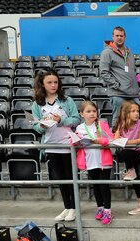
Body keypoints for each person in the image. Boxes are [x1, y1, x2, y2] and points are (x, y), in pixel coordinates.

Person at [31, 69, 81, 222]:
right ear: (43, 84)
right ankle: (67, 207)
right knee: (61, 179)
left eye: (55, 82)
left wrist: (61, 121)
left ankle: (74, 207)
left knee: (70, 177)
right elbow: (35, 126)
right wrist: (42, 126)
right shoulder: (37, 104)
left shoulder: (67, 100)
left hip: (67, 144)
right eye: (49, 82)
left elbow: (76, 119)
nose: (53, 85)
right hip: (51, 145)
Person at [75, 101, 114, 225]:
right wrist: (75, 142)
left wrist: (99, 140)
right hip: (90, 161)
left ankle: (108, 211)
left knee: (104, 185)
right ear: (81, 114)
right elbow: (74, 140)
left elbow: (110, 139)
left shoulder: (102, 124)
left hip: (103, 162)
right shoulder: (80, 128)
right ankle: (100, 208)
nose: (92, 114)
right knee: (95, 186)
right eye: (88, 111)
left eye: (94, 111)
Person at [113, 100, 140, 215]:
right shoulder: (120, 124)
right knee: (135, 178)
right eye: (133, 111)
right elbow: (116, 139)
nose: (136, 113)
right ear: (126, 113)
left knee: (126, 153)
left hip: (139, 154)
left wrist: (126, 142)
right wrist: (122, 139)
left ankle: (131, 171)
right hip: (128, 154)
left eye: (137, 111)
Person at [99, 26, 140, 125]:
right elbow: (104, 72)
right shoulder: (107, 53)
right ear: (112, 37)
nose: (119, 38)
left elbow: (131, 70)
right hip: (118, 94)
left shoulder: (129, 53)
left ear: (125, 37)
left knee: (135, 120)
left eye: (121, 36)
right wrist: (117, 85)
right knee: (118, 119)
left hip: (133, 93)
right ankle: (116, 140)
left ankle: (132, 140)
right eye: (117, 35)